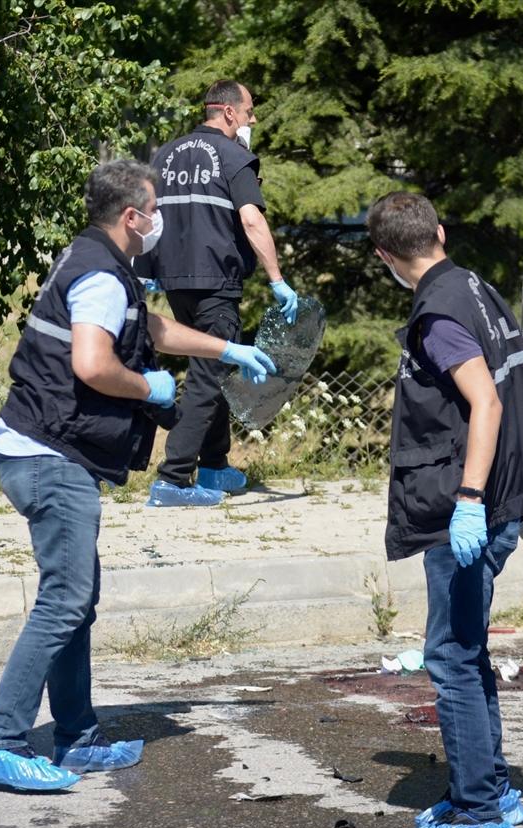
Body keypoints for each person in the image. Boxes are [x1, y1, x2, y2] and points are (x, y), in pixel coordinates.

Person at [0, 160, 276, 791]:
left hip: (46, 451)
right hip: (49, 457)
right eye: (155, 209)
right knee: (65, 601)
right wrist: (149, 385)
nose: (160, 220)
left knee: (75, 602)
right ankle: (0, 741)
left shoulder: (100, 262)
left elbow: (148, 325)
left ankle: (77, 738)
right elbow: (91, 362)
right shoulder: (103, 276)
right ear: (132, 217)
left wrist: (224, 347)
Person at [367, 192, 523, 828]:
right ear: (440, 231)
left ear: (385, 257)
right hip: (506, 492)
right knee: (466, 648)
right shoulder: (471, 286)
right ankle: (488, 789)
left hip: (475, 504)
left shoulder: (437, 315)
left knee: (451, 658)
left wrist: (468, 499)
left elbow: (483, 401)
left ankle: (480, 814)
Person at [139, 79, 299, 507]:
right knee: (208, 376)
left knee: (220, 364)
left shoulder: (165, 154)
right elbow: (251, 221)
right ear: (229, 113)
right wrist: (276, 279)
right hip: (215, 282)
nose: (252, 119)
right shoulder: (235, 156)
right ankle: (172, 478)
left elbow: (145, 215)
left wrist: (144, 269)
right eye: (249, 111)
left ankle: (214, 465)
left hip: (176, 281)